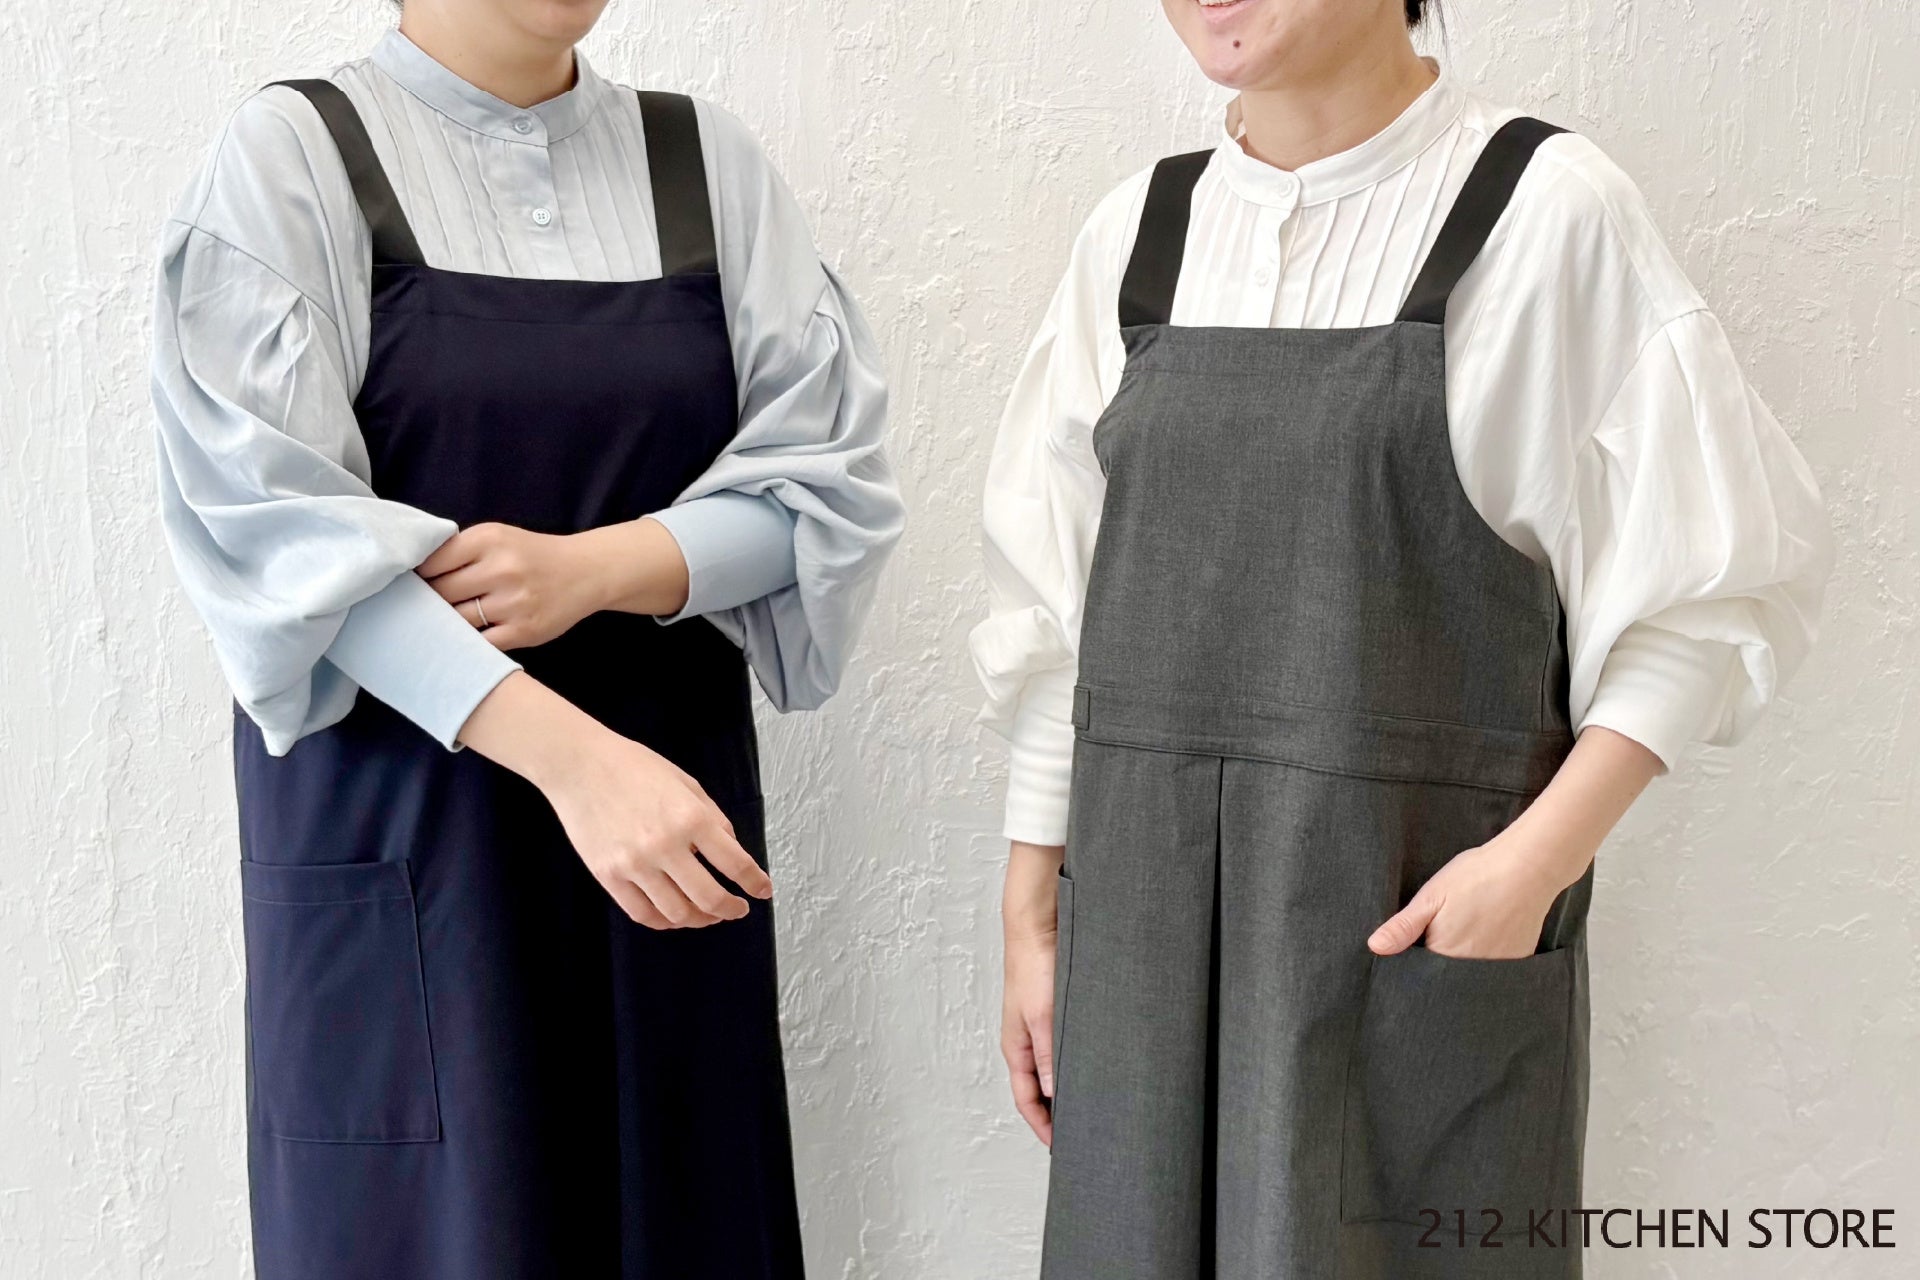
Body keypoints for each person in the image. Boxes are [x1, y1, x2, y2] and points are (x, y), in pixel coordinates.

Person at [971, 0, 1831, 1275]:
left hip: (1401, 935)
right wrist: (1031, 912)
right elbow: (1055, 611)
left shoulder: (1547, 213)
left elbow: (1703, 596)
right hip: (1140, 946)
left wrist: (1529, 869)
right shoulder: (1137, 235)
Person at [150, 0, 902, 1275]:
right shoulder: (293, 158)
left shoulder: (706, 165)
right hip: (411, 851)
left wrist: (594, 568)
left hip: (667, 852)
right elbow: (278, 532)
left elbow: (828, 483)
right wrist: (579, 762)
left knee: (684, 1224)